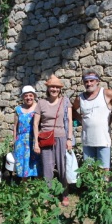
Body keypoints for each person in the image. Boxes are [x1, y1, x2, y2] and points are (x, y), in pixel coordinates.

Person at [72, 69, 112, 170]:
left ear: (97, 81)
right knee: (89, 171)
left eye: (91, 81)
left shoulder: (106, 94)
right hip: (87, 141)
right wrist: (80, 119)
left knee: (104, 171)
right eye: (86, 81)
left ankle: (106, 187)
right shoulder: (80, 98)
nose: (89, 83)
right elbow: (72, 111)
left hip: (103, 140)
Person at [33, 75, 73, 206]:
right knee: (47, 168)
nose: (54, 89)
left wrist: (69, 139)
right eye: (52, 87)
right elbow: (35, 123)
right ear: (48, 88)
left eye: (56, 87)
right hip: (45, 138)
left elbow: (69, 121)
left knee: (62, 167)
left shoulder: (65, 101)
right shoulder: (41, 103)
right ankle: (47, 194)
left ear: (60, 89)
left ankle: (65, 194)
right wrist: (35, 142)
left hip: (61, 136)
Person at [13, 85, 41, 180]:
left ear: (34, 96)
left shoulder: (38, 107)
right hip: (21, 140)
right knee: (22, 162)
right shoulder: (18, 109)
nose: (28, 98)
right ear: (23, 97)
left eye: (30, 95)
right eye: (26, 96)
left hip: (34, 139)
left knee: (35, 162)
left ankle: (37, 185)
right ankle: (24, 186)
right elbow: (15, 126)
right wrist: (15, 141)